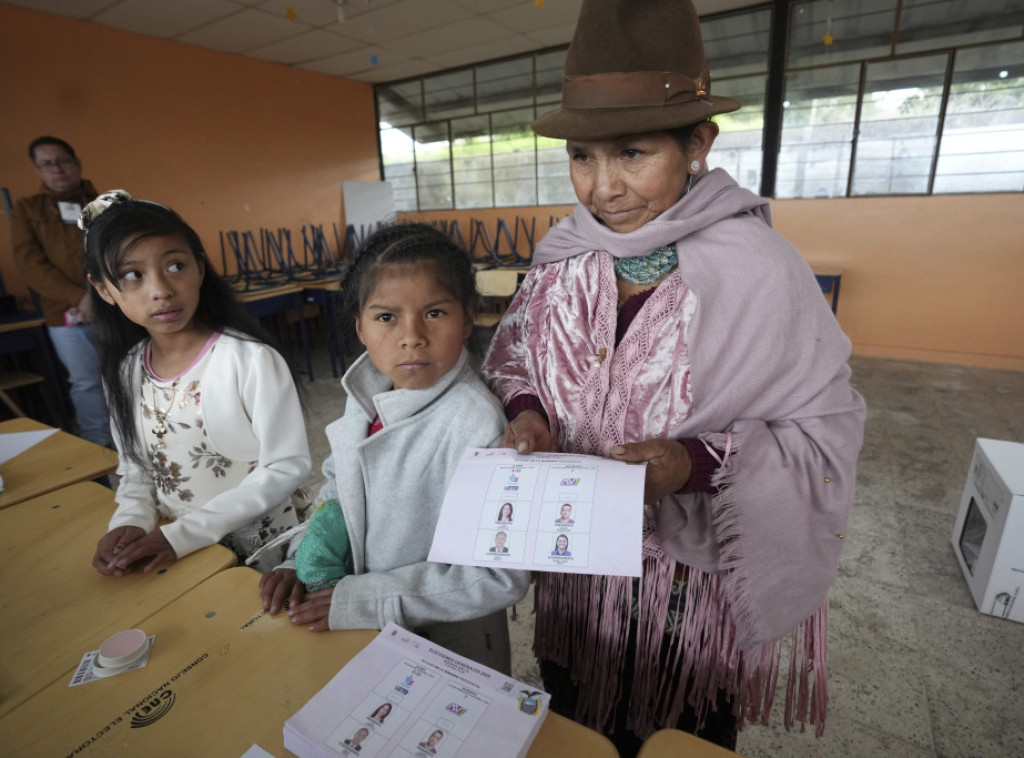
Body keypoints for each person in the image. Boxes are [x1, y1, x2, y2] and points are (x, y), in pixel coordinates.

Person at [481, 0, 866, 753]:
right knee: (572, 714)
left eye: (631, 154)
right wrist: (528, 410)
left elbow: (821, 427)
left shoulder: (760, 271)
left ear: (698, 143)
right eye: (582, 158)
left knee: (678, 731)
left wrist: (691, 465)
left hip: (685, 591)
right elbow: (518, 353)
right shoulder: (566, 254)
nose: (601, 188)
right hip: (577, 565)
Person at [275, 223, 529, 673]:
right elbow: (338, 489)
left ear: (468, 318)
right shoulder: (365, 394)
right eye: (386, 317)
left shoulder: (478, 425)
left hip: (446, 642)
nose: (411, 336)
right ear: (359, 326)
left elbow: (497, 577)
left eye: (434, 313)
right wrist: (301, 559)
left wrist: (365, 599)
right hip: (360, 622)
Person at [81, 190, 311, 575]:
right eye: (132, 275)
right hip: (179, 550)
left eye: (175, 266)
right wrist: (128, 524)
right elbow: (137, 472)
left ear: (200, 268)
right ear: (104, 290)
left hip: (263, 552)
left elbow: (285, 467)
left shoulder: (249, 360)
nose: (161, 290)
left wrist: (181, 536)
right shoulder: (125, 372)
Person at [9, 136, 111, 446]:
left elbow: (122, 251)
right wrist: (78, 298)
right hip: (65, 314)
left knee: (130, 373)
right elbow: (30, 264)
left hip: (115, 305)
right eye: (47, 164)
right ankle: (97, 445)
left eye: (63, 161)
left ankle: (141, 436)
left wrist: (101, 293)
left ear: (77, 162)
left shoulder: (105, 203)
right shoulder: (27, 209)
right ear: (38, 170)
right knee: (86, 382)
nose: (57, 169)